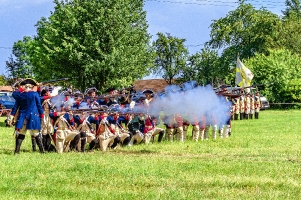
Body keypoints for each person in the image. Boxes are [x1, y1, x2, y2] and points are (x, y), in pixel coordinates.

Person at [9, 78, 45, 154]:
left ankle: (16, 151)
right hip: (33, 116)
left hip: (22, 116)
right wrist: (42, 115)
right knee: (36, 134)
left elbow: (15, 107)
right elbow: (39, 106)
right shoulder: (35, 94)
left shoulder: (20, 95)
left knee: (21, 134)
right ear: (31, 87)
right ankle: (42, 151)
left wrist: (12, 116)